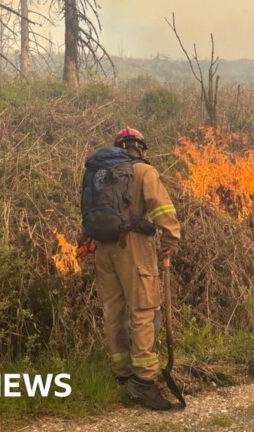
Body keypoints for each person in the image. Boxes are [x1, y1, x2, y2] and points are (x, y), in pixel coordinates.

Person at [79, 127, 180, 410]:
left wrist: (82, 243)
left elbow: (89, 214)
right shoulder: (144, 172)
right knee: (144, 310)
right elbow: (162, 209)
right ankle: (145, 383)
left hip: (103, 248)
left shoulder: (99, 174)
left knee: (114, 311)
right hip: (133, 248)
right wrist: (171, 239)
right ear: (141, 148)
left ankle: (122, 375)